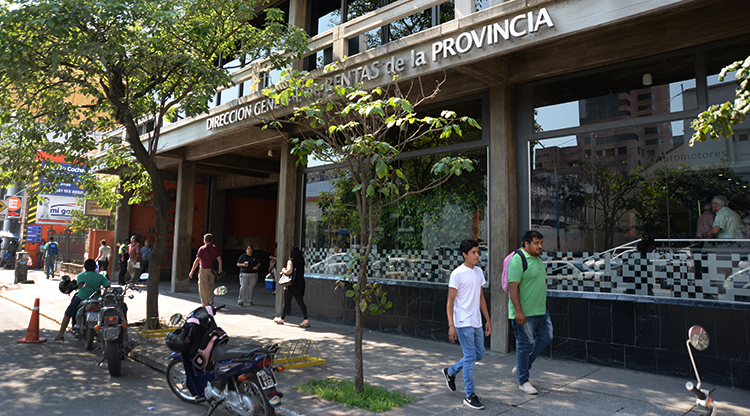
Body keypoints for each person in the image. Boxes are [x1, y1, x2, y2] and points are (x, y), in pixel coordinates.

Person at [440, 239, 491, 410]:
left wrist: (487, 319)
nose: (477, 255)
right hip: (462, 321)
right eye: (473, 253)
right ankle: (470, 395)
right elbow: (450, 302)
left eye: (478, 252)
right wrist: (451, 325)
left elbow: (481, 297)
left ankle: (450, 371)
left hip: (476, 321)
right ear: (464, 254)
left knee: (479, 354)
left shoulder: (478, 272)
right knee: (470, 356)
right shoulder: (457, 274)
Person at [508, 230, 553, 395]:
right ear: (526, 243)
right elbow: (513, 287)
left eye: (541, 243)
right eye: (536, 243)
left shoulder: (537, 258)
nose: (540, 246)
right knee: (524, 345)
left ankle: (521, 368)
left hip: (540, 310)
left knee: (546, 338)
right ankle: (523, 381)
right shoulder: (517, 260)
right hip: (524, 313)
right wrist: (518, 311)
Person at [52, 259, 110, 342]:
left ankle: (60, 334)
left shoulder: (80, 276)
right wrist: (103, 296)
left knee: (68, 313)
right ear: (95, 267)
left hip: (81, 299)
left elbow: (78, 286)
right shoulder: (101, 277)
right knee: (105, 314)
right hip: (96, 300)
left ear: (85, 267)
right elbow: (108, 287)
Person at [273, 247, 309, 328]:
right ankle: (305, 320)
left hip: (291, 284)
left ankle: (281, 319)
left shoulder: (291, 261)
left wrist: (283, 270)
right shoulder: (301, 261)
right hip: (300, 284)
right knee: (301, 302)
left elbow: (289, 271)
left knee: (286, 303)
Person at [189, 233, 223, 307]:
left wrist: (192, 271)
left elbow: (197, 261)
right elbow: (219, 259)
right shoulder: (215, 248)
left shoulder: (202, 249)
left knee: (203, 287)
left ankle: (205, 304)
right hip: (212, 270)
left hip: (204, 269)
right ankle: (211, 302)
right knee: (210, 286)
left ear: (204, 240)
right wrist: (220, 269)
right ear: (212, 240)